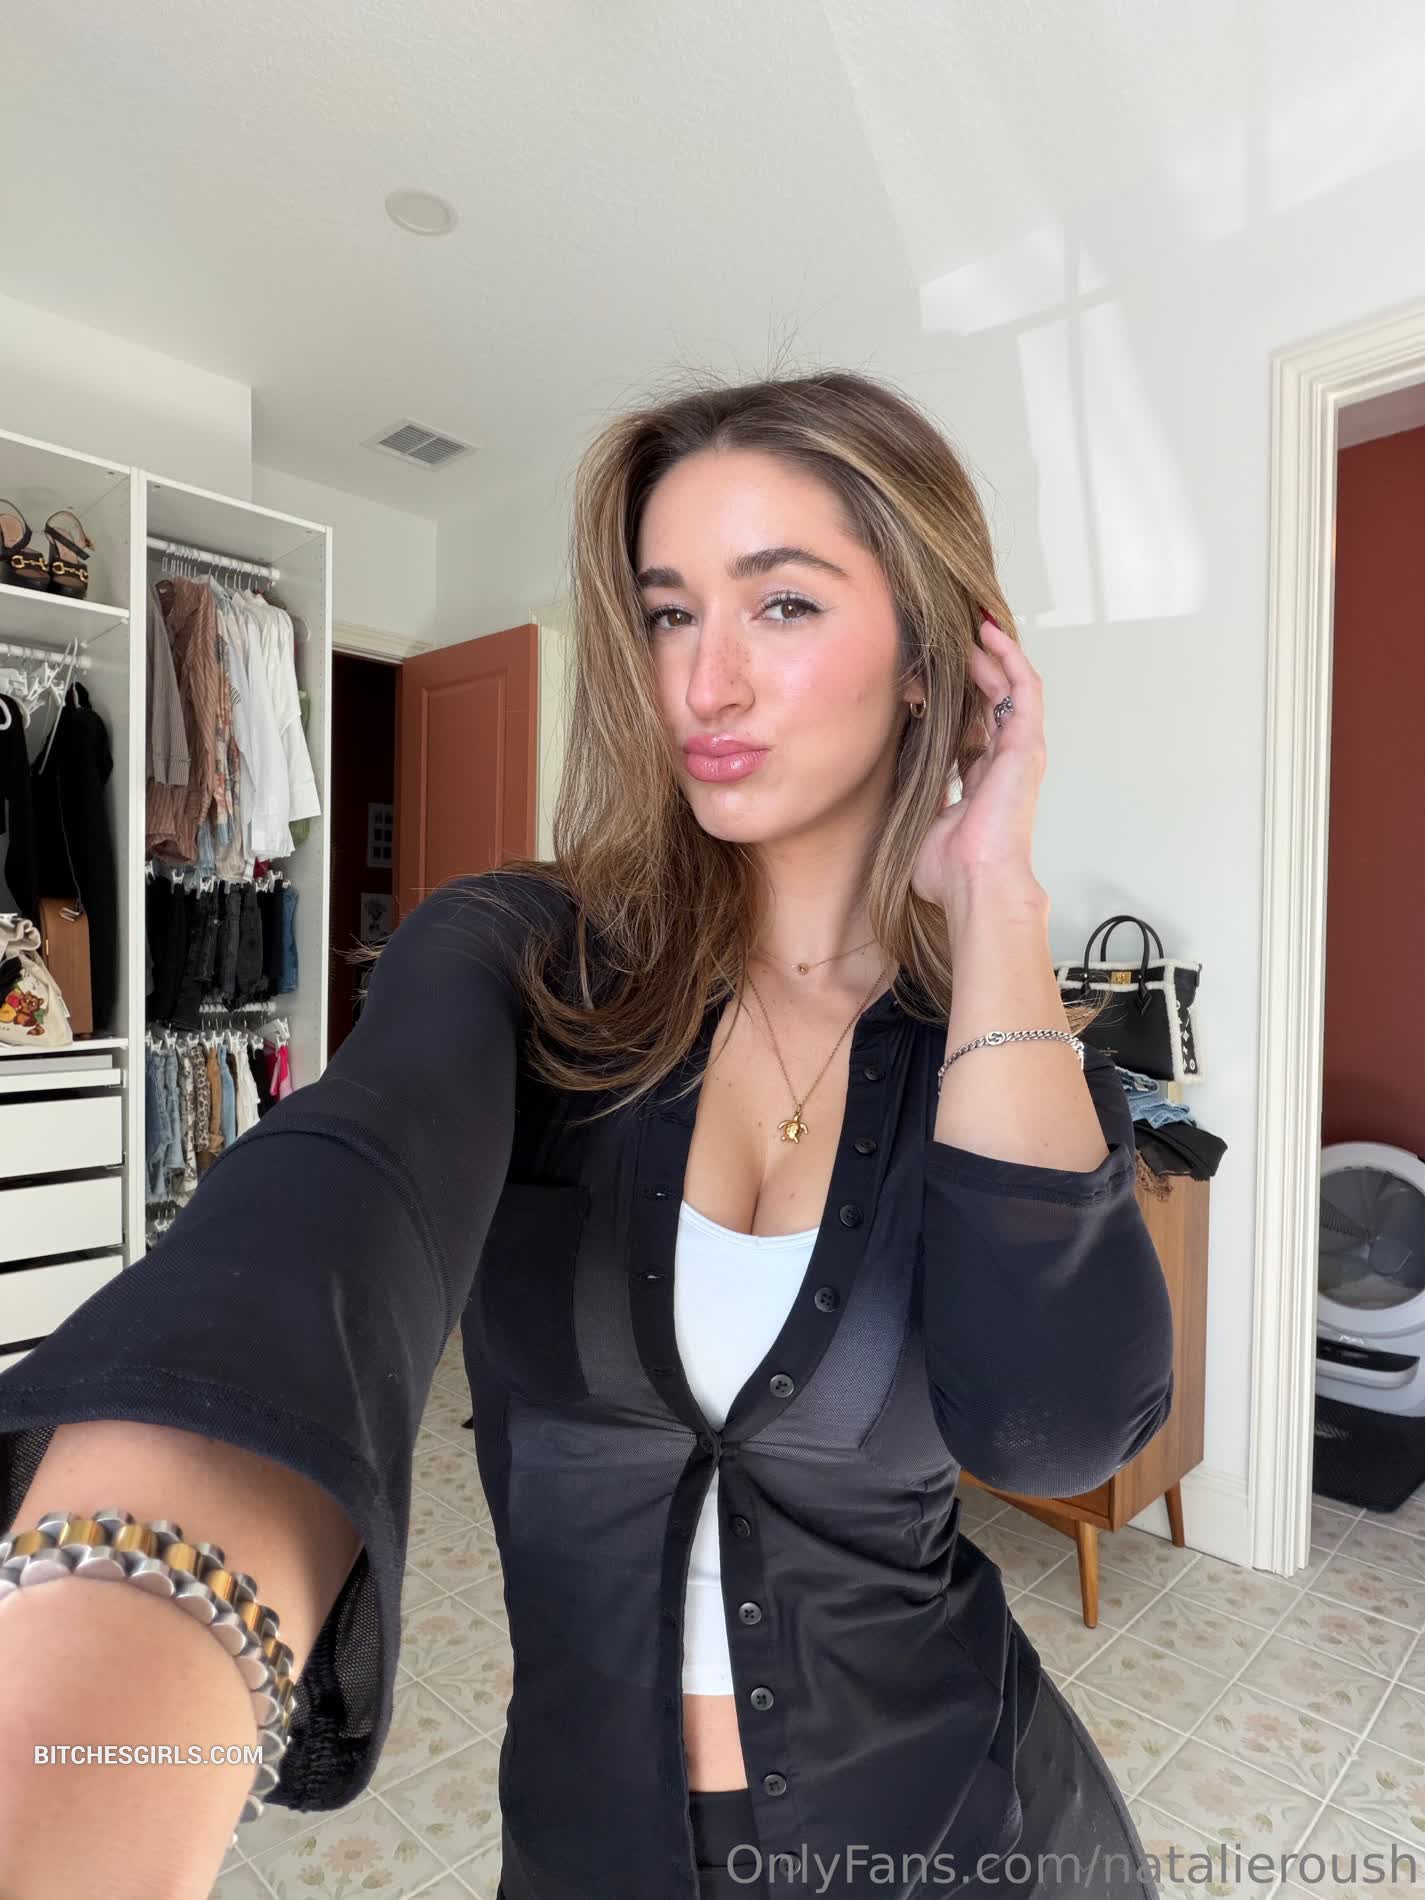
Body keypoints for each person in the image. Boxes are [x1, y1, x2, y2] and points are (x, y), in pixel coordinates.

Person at [0, 367, 1175, 1899]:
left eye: (782, 604)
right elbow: (339, 1196)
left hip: (968, 1833)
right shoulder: (522, 958)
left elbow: (1054, 1432)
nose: (704, 683)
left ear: (926, 661)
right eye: (670, 612)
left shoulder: (989, 1053)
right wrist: (109, 1637)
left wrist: (996, 895)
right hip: (591, 1845)